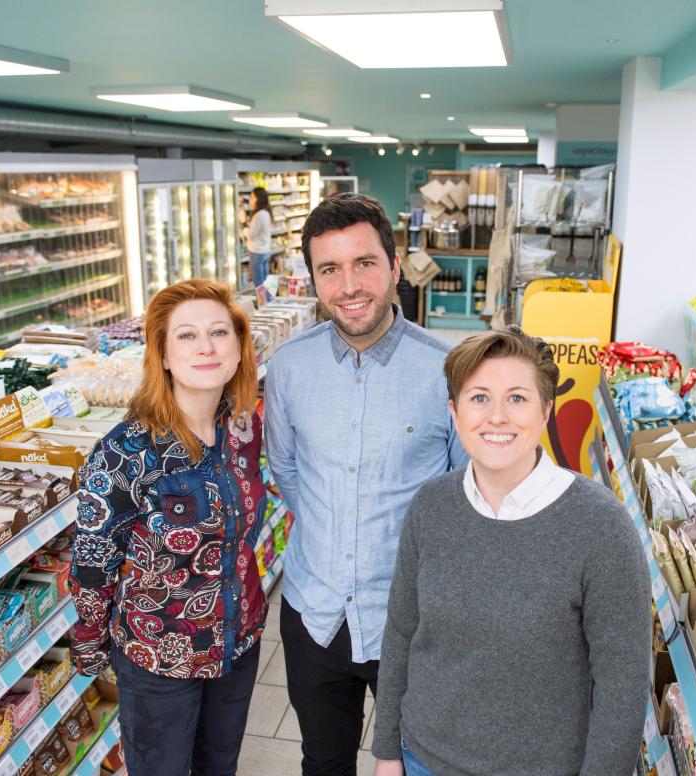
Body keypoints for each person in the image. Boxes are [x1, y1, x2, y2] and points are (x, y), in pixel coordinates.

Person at [371, 326, 653, 776]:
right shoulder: (432, 505)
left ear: (546, 411)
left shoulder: (600, 525)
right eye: (479, 397)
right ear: (454, 411)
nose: (497, 417)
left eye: (517, 398)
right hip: (424, 758)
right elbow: (402, 632)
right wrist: (386, 749)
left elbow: (623, 683)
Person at [264, 193, 468, 776]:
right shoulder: (289, 369)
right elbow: (286, 471)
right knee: (323, 761)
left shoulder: (447, 369)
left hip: (412, 620)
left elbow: (461, 495)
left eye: (365, 263)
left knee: (417, 762)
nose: (349, 285)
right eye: (330, 269)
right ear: (313, 280)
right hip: (314, 614)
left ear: (395, 266)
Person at [68, 279, 268, 776]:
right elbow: (94, 565)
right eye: (187, 336)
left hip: (236, 643)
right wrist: (92, 644)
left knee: (220, 767)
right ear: (161, 354)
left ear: (240, 347)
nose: (206, 347)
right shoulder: (125, 452)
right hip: (159, 660)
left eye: (220, 332)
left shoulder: (242, 430)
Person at [244, 187, 273, 288]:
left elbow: (251, 235)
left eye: (252, 197)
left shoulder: (259, 215)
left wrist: (243, 224)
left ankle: (261, 303)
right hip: (265, 251)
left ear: (257, 199)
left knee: (259, 284)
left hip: (257, 253)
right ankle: (266, 303)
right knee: (264, 283)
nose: (250, 200)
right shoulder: (266, 212)